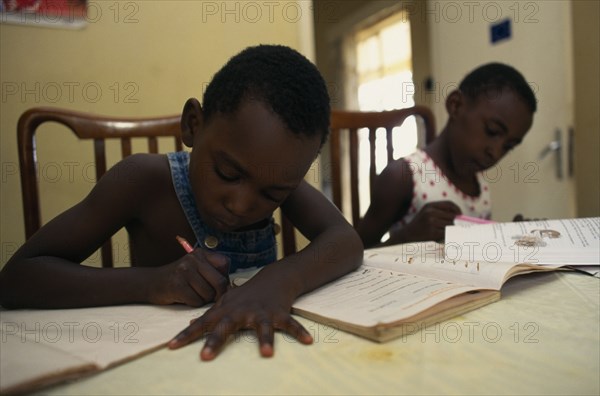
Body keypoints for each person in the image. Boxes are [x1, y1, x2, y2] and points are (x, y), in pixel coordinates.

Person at [0, 45, 363, 360]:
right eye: (226, 173)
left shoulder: (274, 175)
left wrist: (280, 280)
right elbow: (18, 278)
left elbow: (345, 241)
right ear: (193, 125)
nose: (241, 203)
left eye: (271, 195)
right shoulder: (141, 180)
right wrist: (150, 283)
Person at [356, 63, 537, 248]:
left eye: (509, 146)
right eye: (492, 131)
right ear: (456, 105)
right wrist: (406, 237)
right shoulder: (402, 176)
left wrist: (513, 236)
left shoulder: (479, 186)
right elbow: (357, 254)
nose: (496, 153)